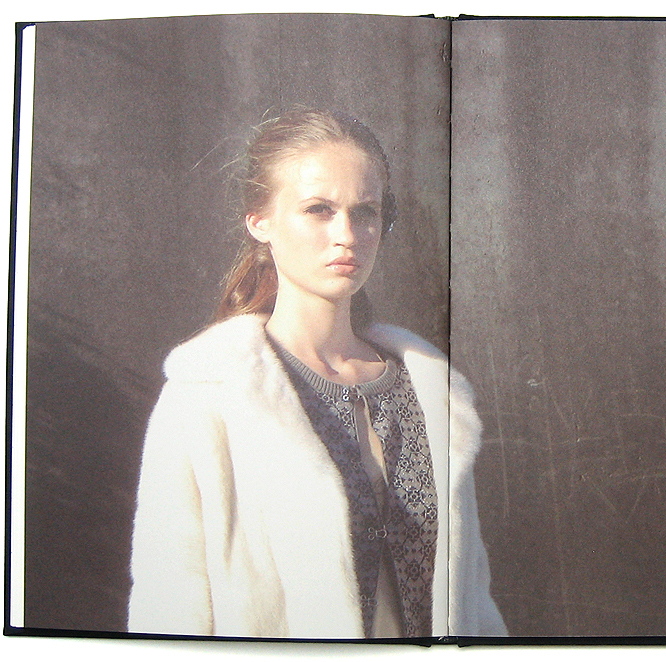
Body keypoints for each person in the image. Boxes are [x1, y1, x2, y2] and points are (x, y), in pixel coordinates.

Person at [127, 107, 506, 639]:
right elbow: (168, 607)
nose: (346, 234)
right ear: (260, 222)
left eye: (365, 211)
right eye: (318, 209)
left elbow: (474, 602)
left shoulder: (433, 396)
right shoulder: (210, 395)